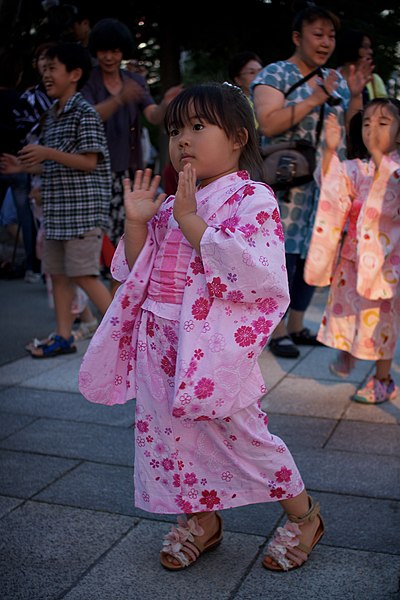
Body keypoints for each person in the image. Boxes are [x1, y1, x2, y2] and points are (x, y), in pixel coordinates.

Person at [79, 82, 324, 573]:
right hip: (159, 339)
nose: (183, 140)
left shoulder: (251, 199)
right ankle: (202, 519)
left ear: (236, 137)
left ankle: (305, 516)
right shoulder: (170, 204)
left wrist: (191, 219)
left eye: (197, 127)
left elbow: (252, 273)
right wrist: (135, 224)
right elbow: (136, 270)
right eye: (175, 130)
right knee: (170, 439)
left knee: (243, 435)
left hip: (210, 352)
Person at [251, 1, 369, 358]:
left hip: (324, 188)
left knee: (312, 258)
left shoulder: (335, 80)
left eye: (331, 36)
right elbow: (268, 123)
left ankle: (298, 323)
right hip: (283, 187)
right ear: (297, 37)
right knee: (281, 258)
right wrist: (314, 98)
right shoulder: (275, 74)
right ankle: (275, 329)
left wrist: (356, 92)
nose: (325, 42)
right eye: (317, 34)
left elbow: (354, 136)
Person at [0, 42, 113, 358]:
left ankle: (125, 331)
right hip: (57, 210)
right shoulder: (52, 114)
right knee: (59, 274)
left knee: (83, 273)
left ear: (74, 74)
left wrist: (46, 153)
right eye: (43, 68)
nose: (45, 75)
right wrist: (23, 166)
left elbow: (90, 161)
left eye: (52, 68)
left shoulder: (84, 112)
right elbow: (54, 162)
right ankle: (63, 337)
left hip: (82, 212)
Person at [304, 98, 400, 404]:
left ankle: (383, 379)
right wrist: (330, 150)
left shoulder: (396, 168)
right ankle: (347, 349)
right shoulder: (356, 168)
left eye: (383, 124)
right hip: (353, 258)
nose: (372, 129)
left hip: (387, 264)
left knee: (380, 323)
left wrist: (380, 161)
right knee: (344, 311)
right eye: (367, 123)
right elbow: (330, 185)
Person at [80, 17, 182, 293]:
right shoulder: (88, 80)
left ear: (123, 51)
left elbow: (152, 115)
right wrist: (119, 99)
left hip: (129, 171)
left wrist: (165, 104)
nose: (109, 57)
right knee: (95, 238)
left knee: (124, 236)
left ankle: (117, 293)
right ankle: (101, 297)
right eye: (103, 50)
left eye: (115, 51)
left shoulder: (135, 81)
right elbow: (87, 116)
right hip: (95, 172)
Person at [0, 48, 41, 282]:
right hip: (19, 161)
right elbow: (29, 131)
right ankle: (32, 267)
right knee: (26, 216)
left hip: (12, 162)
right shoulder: (21, 101)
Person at [336, 29, 388, 106]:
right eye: (365, 47)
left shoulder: (373, 79)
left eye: (370, 47)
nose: (370, 51)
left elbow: (383, 107)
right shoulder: (332, 77)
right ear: (352, 46)